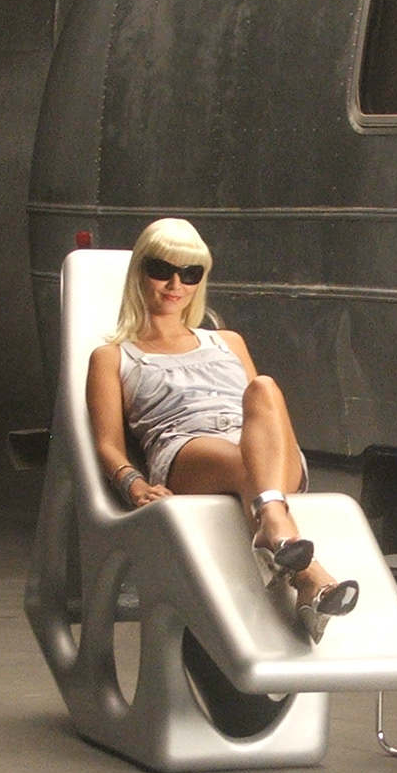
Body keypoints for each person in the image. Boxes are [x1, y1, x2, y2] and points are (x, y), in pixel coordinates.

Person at [86, 218, 360, 642]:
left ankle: (287, 549)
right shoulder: (113, 356)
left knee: (264, 389)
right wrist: (135, 486)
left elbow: (260, 414)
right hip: (187, 448)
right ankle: (298, 558)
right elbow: (106, 445)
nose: (176, 284)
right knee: (247, 461)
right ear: (139, 271)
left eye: (190, 273)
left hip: (259, 451)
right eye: (162, 270)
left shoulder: (228, 341)